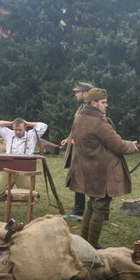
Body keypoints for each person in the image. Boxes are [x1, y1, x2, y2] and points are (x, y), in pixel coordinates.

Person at [66, 88, 139, 248]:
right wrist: (132, 146)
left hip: (89, 169)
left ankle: (84, 243)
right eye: (103, 102)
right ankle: (91, 246)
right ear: (93, 103)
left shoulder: (80, 117)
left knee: (92, 204)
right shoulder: (98, 122)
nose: (107, 105)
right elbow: (118, 145)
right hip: (101, 171)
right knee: (99, 208)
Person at [0, 118, 48, 201]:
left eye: (20, 129)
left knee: (30, 198)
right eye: (15, 129)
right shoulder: (8, 134)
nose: (17, 132)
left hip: (23, 169)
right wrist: (11, 123)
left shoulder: (32, 135)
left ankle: (32, 193)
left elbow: (43, 126)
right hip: (8, 168)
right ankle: (13, 195)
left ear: (25, 128)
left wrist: (27, 123)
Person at [61, 81, 94, 218]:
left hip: (86, 150)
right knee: (78, 178)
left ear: (85, 93)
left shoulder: (92, 108)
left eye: (78, 92)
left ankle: (95, 211)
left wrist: (78, 140)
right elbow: (77, 127)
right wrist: (69, 138)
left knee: (89, 179)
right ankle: (80, 209)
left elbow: (91, 129)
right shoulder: (82, 107)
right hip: (78, 149)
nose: (75, 94)